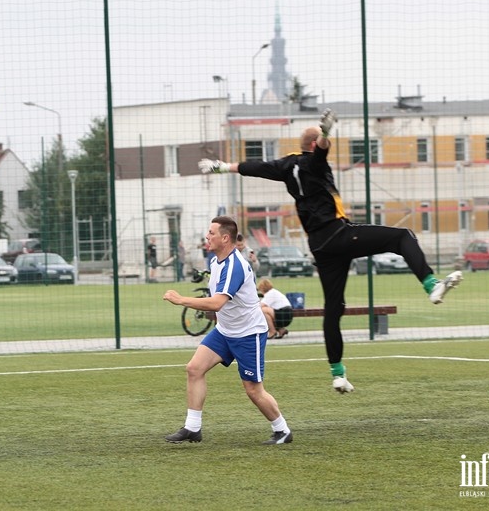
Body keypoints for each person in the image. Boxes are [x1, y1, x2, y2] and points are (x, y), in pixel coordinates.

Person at [198, 109, 462, 394]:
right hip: (339, 235)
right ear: (314, 145)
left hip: (320, 248)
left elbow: (254, 167)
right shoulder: (315, 161)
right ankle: (431, 284)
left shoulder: (286, 166)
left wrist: (220, 166)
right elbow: (322, 150)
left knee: (334, 309)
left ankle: (338, 373)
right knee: (402, 237)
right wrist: (326, 133)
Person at [162, 215, 292, 445]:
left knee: (253, 390)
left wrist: (182, 300)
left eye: (211, 233)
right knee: (194, 369)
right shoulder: (215, 262)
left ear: (224, 237)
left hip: (248, 334)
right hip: (225, 331)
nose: (207, 236)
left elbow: (216, 303)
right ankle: (193, 428)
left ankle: (282, 430)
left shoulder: (235, 266)